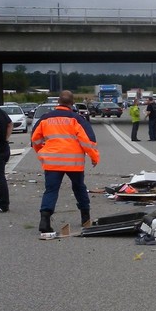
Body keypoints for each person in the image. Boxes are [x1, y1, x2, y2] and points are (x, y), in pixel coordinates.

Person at [31, 90, 99, 236]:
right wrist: (94, 157)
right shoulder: (77, 119)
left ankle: (45, 220)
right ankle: (85, 218)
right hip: (73, 162)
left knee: (51, 190)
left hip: (52, 162)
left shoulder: (45, 118)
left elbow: (35, 139)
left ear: (58, 102)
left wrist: (41, 152)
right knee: (79, 188)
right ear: (72, 103)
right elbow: (88, 140)